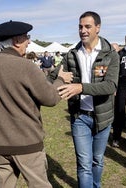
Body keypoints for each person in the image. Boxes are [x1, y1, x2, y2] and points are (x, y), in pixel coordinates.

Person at [0, 20, 72, 187]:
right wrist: (60, 80)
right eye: (26, 37)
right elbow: (50, 98)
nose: (29, 42)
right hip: (27, 144)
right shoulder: (26, 66)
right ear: (16, 41)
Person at [49, 11, 119, 188]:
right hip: (79, 117)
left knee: (97, 160)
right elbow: (52, 75)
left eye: (87, 26)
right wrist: (56, 75)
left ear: (98, 28)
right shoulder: (72, 54)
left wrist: (81, 87)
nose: (83, 30)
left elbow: (111, 86)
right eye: (80, 26)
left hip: (103, 117)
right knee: (84, 164)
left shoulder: (110, 54)